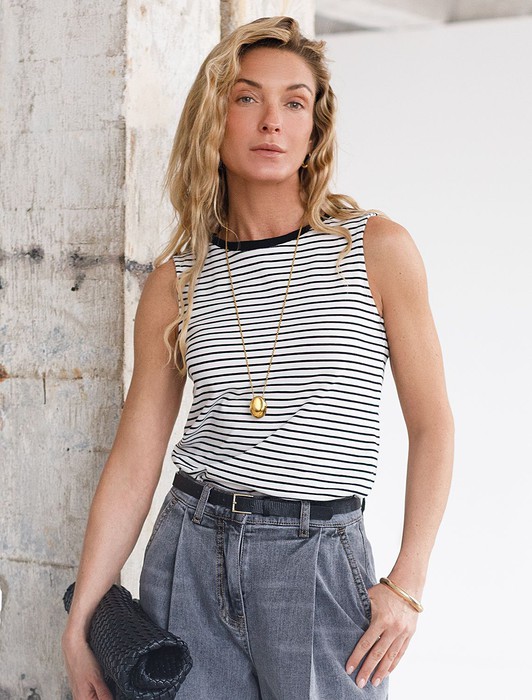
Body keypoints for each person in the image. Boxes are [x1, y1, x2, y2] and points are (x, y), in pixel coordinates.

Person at [62, 15, 454, 700]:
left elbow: (434, 425)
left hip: (317, 557)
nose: (272, 120)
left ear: (314, 128)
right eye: (247, 97)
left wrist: (408, 582)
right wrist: (81, 620)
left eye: (294, 102)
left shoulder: (375, 249)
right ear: (213, 117)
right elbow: (136, 453)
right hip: (189, 548)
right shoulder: (177, 279)